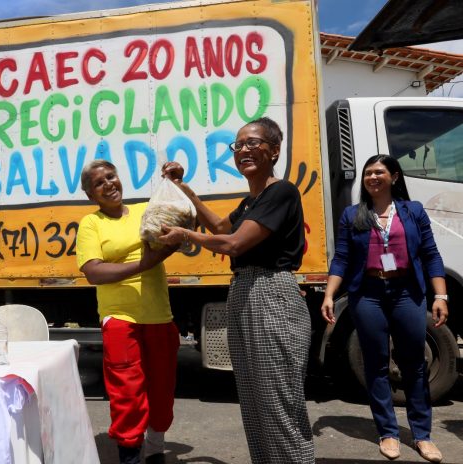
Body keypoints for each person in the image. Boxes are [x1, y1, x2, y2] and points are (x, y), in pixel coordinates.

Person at [158, 116, 314, 463]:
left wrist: (185, 235)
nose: (243, 149)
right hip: (245, 290)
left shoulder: (281, 192)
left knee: (278, 399)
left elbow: (232, 244)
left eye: (252, 143)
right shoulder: (251, 202)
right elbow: (217, 226)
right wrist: (185, 189)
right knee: (255, 398)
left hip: (271, 291)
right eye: (238, 144)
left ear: (274, 151)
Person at [320, 154, 447, 463]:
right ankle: (388, 432)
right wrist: (329, 294)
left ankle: (422, 435)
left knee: (414, 364)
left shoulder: (413, 211)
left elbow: (431, 254)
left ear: (394, 177)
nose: (372, 177)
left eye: (379, 172)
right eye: (368, 173)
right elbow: (342, 260)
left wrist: (441, 296)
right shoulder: (353, 215)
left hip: (407, 292)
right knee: (375, 364)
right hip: (369, 294)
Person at [75, 160, 180, 464]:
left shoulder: (145, 211)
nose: (109, 184)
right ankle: (130, 456)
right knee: (128, 395)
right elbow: (93, 272)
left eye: (111, 176)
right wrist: (142, 265)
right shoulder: (91, 224)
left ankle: (156, 448)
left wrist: (176, 183)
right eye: (99, 183)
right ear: (90, 194)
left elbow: (185, 223)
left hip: (159, 314)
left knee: (161, 392)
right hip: (120, 317)